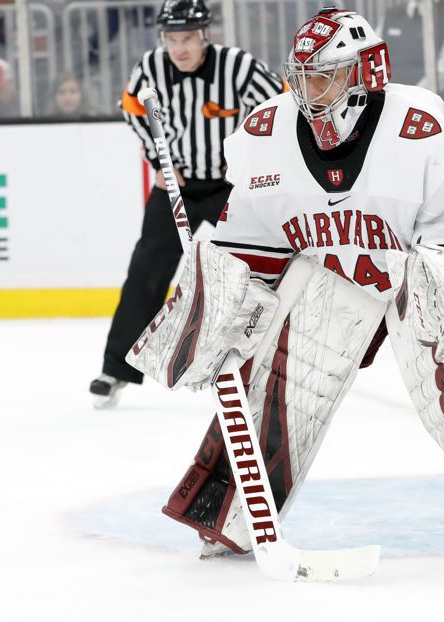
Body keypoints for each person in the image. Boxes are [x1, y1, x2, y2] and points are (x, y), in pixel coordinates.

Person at [150, 7, 444, 568]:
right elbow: (248, 245)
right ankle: (235, 503)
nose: (307, 91)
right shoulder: (265, 136)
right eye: (300, 77)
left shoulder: (416, 125)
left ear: (364, 75)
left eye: (324, 76)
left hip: (437, 264)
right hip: (340, 275)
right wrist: (220, 305)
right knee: (279, 360)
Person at [88, 0, 284, 408]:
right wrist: (158, 160)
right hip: (175, 186)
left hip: (229, 186)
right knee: (147, 270)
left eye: (188, 38)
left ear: (204, 36)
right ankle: (116, 369)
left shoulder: (238, 66)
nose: (179, 48)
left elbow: (281, 106)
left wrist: (250, 156)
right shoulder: (151, 68)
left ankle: (278, 359)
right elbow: (131, 110)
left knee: (265, 262)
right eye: (172, 39)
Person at [379, 0, 444, 92]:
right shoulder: (391, 14)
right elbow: (373, 55)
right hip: (387, 97)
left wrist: (414, 95)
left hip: (427, 100)